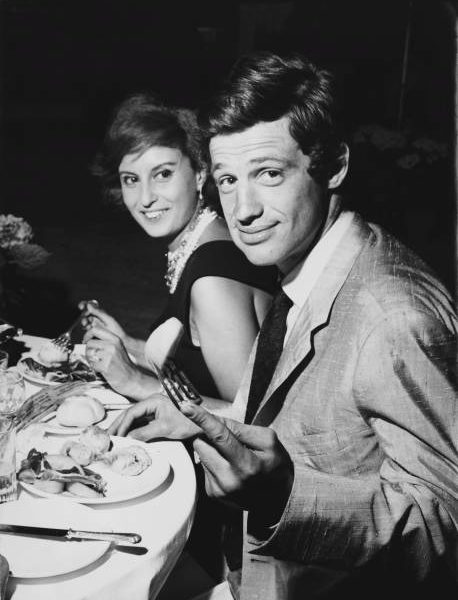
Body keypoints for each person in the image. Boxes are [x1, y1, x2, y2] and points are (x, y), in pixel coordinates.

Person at [110, 52, 458, 599]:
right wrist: (202, 421)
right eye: (228, 180)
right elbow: (290, 423)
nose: (243, 210)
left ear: (334, 165)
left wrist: (284, 496)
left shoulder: (393, 315)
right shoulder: (306, 268)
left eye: (269, 174)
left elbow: (445, 528)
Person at [82, 93, 276, 403]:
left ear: (200, 173)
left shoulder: (212, 281)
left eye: (163, 174)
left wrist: (136, 382)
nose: (146, 198)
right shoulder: (208, 239)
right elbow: (198, 365)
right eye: (131, 179)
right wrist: (130, 346)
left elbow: (247, 418)